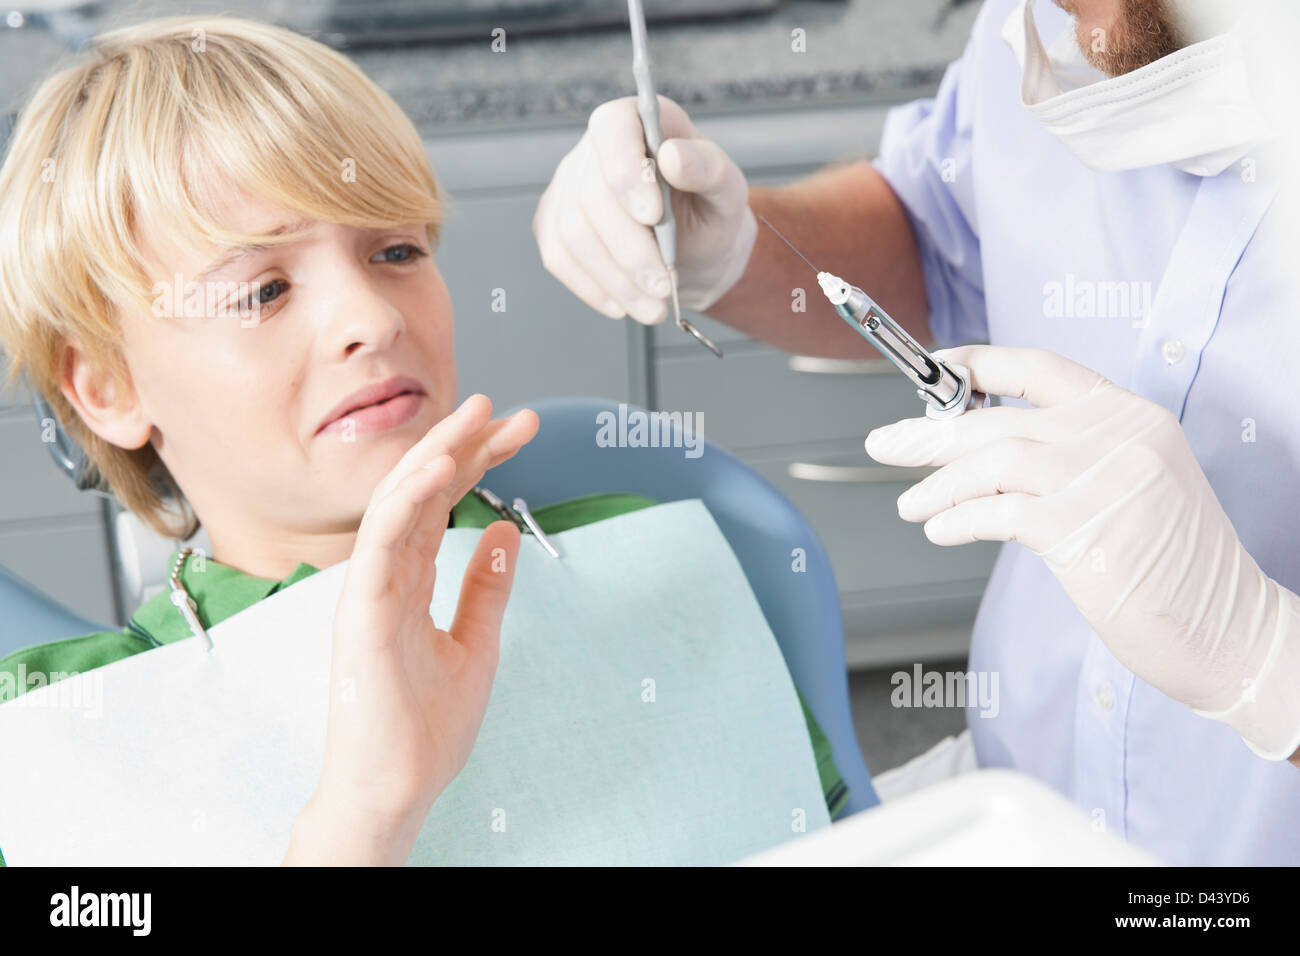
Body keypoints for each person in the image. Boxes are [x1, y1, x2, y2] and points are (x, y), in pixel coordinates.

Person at [0, 16, 848, 866]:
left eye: (396, 250)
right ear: (107, 388)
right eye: (263, 291)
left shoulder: (645, 553)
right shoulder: (51, 743)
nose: (372, 318)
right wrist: (365, 818)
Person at [532, 0, 1300, 864]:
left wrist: (1267, 664)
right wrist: (736, 249)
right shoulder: (1037, 27)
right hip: (1022, 793)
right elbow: (940, 232)